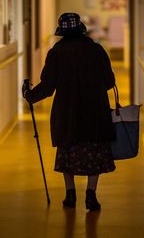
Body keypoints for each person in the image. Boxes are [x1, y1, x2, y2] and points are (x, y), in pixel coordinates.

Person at [23, 12, 116, 211]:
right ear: (81, 29)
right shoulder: (97, 50)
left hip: (68, 112)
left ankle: (70, 194)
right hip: (95, 111)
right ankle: (91, 195)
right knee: (94, 150)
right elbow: (109, 81)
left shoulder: (56, 52)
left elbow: (47, 87)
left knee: (68, 150)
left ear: (62, 32)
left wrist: (30, 95)